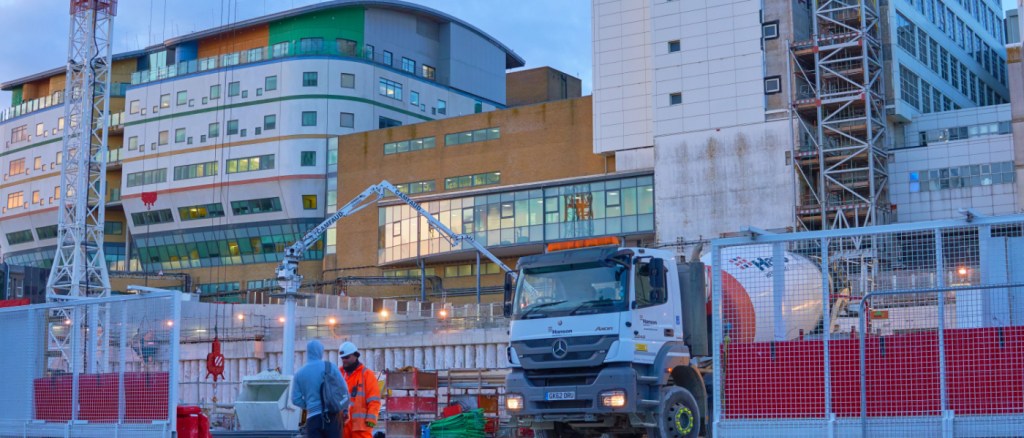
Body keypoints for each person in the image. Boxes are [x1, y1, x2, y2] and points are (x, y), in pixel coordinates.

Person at [292, 340, 348, 438]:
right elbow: (344, 389)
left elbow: (295, 399)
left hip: (312, 419)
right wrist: (345, 409)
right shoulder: (330, 367)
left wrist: (309, 405)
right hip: (331, 416)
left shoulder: (299, 373)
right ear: (320, 351)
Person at [339, 341, 381, 438]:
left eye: (347, 357)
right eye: (342, 358)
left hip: (361, 427)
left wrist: (371, 420)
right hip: (343, 425)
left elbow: (374, 400)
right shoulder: (339, 373)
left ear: (356, 356)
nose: (344, 360)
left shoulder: (367, 375)